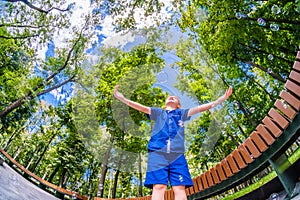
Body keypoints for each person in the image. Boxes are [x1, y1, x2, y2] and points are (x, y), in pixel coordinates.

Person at [114, 85, 232, 200]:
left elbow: (201, 108)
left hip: (177, 156)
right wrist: (122, 98)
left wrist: (220, 99)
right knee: (159, 186)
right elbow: (141, 107)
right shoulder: (158, 113)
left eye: (174, 97)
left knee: (179, 187)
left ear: (178, 105)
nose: (171, 97)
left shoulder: (181, 114)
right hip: (157, 153)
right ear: (165, 104)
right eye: (169, 97)